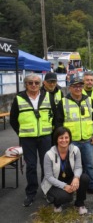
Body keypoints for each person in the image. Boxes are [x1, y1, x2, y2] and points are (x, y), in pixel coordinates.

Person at [10, 73, 55, 207]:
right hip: (27, 139)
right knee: (31, 166)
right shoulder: (19, 98)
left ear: (40, 84)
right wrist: (22, 133)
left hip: (45, 136)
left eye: (36, 82)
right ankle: (31, 193)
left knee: (46, 165)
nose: (34, 85)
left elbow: (54, 115)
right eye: (30, 83)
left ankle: (47, 191)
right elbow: (13, 119)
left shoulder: (48, 96)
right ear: (26, 85)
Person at [55, 78, 93, 195]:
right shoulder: (63, 102)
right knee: (71, 166)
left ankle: (91, 185)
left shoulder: (89, 101)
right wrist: (63, 140)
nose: (78, 88)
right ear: (70, 88)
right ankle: (72, 186)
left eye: (80, 86)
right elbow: (58, 123)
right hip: (71, 142)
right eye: (75, 86)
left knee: (90, 165)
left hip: (87, 140)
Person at [41, 127, 89, 215]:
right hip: (54, 183)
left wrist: (76, 178)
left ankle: (80, 204)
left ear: (70, 138)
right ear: (56, 139)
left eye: (66, 137)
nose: (64, 140)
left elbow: (78, 167)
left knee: (84, 178)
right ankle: (56, 203)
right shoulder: (49, 154)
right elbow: (48, 176)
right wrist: (64, 186)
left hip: (69, 179)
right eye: (61, 138)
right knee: (66, 197)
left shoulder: (75, 150)